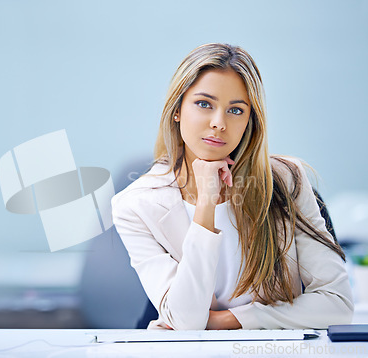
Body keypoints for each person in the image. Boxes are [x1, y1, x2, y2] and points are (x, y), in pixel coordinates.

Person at [111, 43, 354, 330]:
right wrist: (206, 204)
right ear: (177, 110)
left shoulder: (287, 181)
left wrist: (231, 320)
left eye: (236, 110)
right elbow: (187, 323)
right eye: (204, 104)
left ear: (250, 120)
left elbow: (337, 304)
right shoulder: (134, 205)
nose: (219, 123)